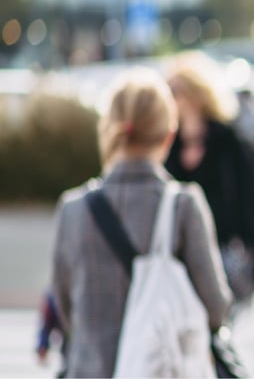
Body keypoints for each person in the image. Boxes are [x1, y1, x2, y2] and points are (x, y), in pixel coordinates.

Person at [50, 68, 232, 377]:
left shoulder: (73, 209)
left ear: (110, 128)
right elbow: (216, 308)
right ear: (169, 135)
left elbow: (64, 309)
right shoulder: (183, 205)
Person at [163, 51, 254, 301]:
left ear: (196, 94)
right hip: (181, 259)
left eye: (175, 91)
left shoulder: (228, 141)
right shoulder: (167, 147)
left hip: (226, 255)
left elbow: (251, 203)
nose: (170, 99)